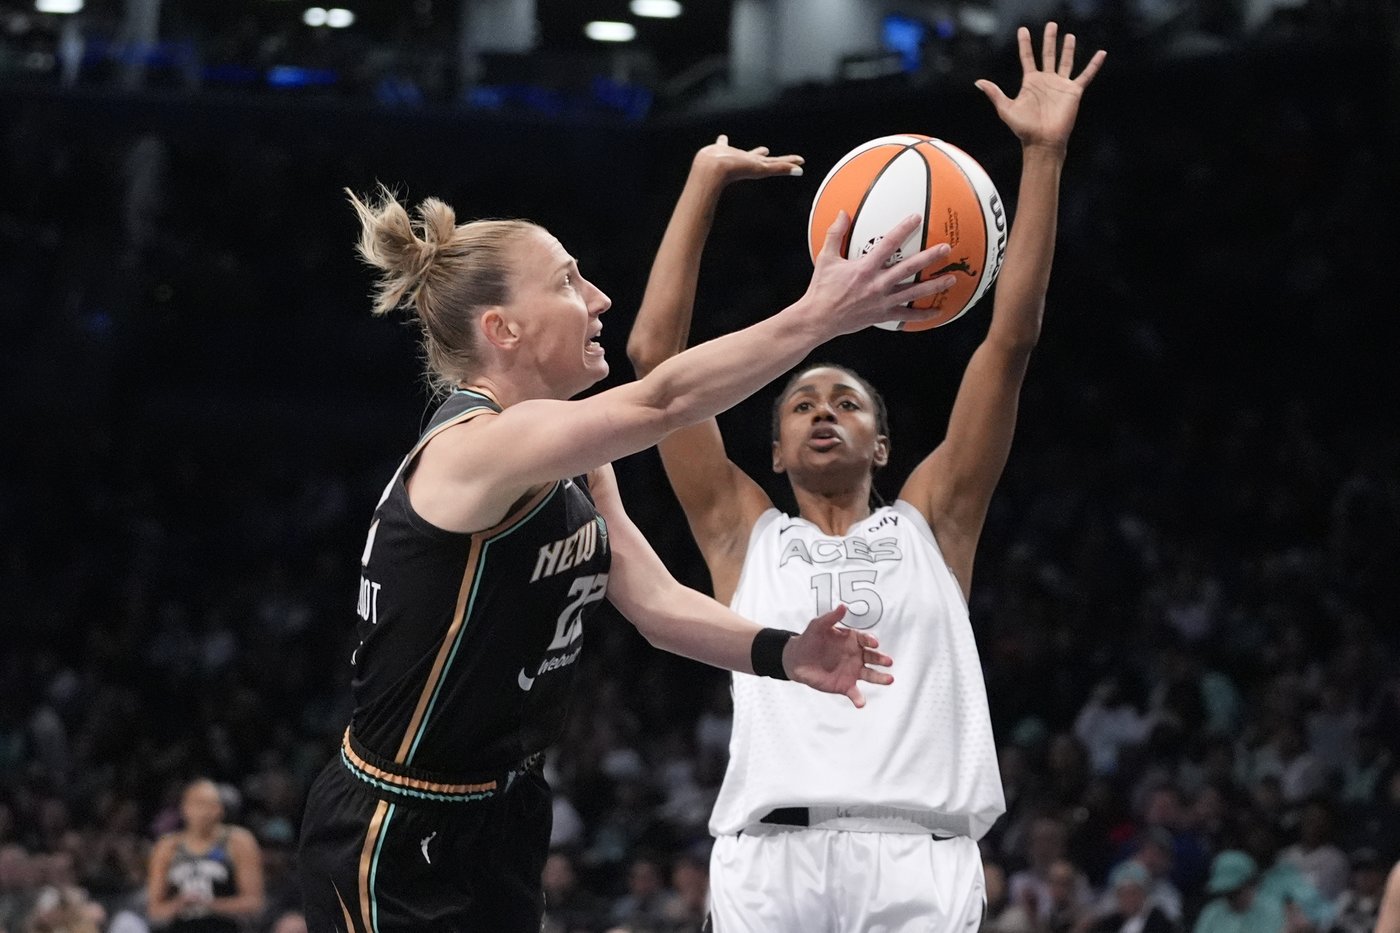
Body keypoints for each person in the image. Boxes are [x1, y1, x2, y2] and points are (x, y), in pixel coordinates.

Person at [296, 148, 962, 932]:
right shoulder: (474, 448)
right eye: (570, 282)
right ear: (501, 329)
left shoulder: (574, 461)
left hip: (499, 817)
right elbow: (662, 399)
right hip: (396, 826)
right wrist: (819, 315)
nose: (600, 298)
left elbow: (653, 603)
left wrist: (786, 652)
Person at [625, 22, 1104, 931]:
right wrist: (700, 185)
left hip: (919, 857)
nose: (820, 412)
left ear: (883, 444)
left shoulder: (937, 520)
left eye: (844, 401)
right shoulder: (742, 530)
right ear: (770, 452)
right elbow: (656, 359)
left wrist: (1042, 157)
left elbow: (1010, 342)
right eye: (800, 404)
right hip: (772, 859)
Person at [145, 779, 265, 932]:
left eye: (212, 805)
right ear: (184, 808)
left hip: (226, 927)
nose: (205, 812)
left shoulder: (238, 841)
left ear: (220, 809)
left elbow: (254, 902)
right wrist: (180, 904)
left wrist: (209, 905)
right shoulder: (167, 846)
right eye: (198, 804)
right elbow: (155, 909)